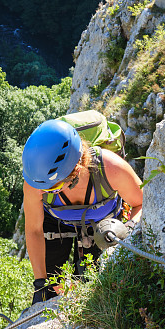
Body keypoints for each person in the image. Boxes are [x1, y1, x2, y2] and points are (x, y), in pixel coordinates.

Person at [22, 119, 143, 304]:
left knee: (100, 290)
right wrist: (40, 284)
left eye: (53, 188)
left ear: (76, 170)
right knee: (51, 289)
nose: (45, 192)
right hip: (57, 223)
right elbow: (34, 231)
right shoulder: (38, 183)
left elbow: (142, 204)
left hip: (104, 224)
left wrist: (129, 228)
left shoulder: (111, 168)